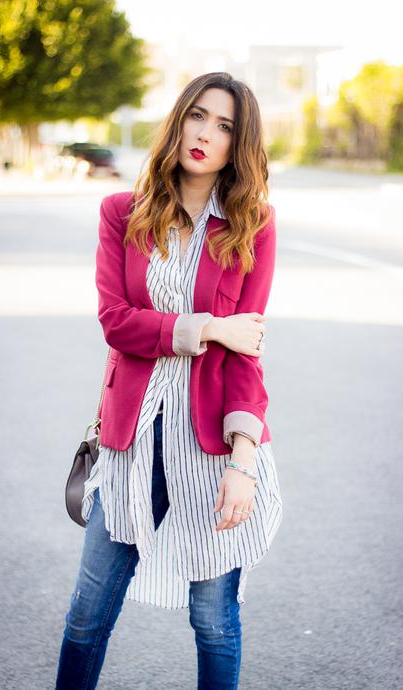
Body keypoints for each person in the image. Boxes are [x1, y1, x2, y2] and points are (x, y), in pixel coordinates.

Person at [55, 71, 283, 690]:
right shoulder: (121, 213)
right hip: (131, 443)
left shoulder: (250, 224)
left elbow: (247, 356)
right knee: (86, 615)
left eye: (225, 125)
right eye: (197, 116)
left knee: (214, 620)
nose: (206, 134)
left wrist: (244, 460)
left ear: (240, 144)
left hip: (211, 449)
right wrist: (209, 327)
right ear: (178, 120)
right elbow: (117, 323)